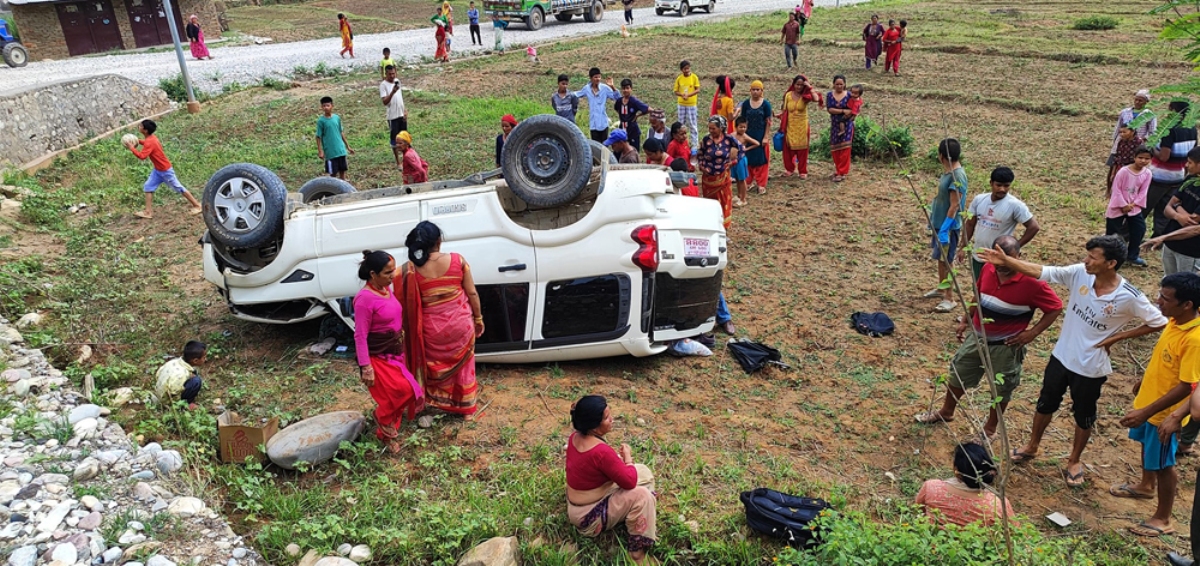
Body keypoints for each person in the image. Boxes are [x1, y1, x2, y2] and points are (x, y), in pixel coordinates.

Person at [978, 235, 1169, 487]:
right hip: (1061, 356)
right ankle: (1032, 445)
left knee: (1084, 415)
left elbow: (1160, 322)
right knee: (1045, 404)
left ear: (1111, 263)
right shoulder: (1080, 273)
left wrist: (1118, 336)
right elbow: (1043, 271)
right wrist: (1008, 262)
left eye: (1092, 257)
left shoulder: (1129, 296)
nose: (1086, 260)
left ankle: (1074, 460)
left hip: (1090, 367)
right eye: (1087, 255)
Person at [915, 236, 1063, 438]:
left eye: (1006, 259)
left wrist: (1032, 333)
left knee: (1001, 388)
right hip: (977, 336)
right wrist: (967, 319)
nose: (1000, 265)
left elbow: (1055, 308)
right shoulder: (988, 269)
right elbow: (978, 294)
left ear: (1018, 257)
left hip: (1005, 346)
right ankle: (946, 412)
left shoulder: (1034, 283)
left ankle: (990, 429)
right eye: (995, 257)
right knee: (959, 372)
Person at [1109, 272, 1200, 538]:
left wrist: (1151, 413)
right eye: (1160, 294)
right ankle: (1145, 485)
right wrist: (1144, 379)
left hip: (1163, 414)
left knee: (1164, 464)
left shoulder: (1195, 339)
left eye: (1166, 298)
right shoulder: (1175, 321)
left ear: (1187, 305)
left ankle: (1163, 517)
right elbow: (1168, 361)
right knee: (1148, 451)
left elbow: (1188, 385)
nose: (1158, 301)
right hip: (1149, 401)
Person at [400, 221, 482, 415]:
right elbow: (472, 293)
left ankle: (435, 403)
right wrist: (478, 319)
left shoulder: (410, 270)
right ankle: (466, 407)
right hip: (461, 324)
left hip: (431, 331)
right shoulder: (458, 260)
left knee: (434, 367)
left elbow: (408, 303)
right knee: (464, 366)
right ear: (439, 241)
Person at [565, 395, 657, 565]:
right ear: (593, 426)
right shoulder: (601, 452)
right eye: (607, 418)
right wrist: (627, 458)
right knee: (643, 495)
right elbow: (629, 482)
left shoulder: (575, 438)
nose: (612, 419)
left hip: (578, 505)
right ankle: (636, 554)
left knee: (643, 472)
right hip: (588, 518)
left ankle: (633, 514)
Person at [354, 250, 424, 452]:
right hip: (377, 356)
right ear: (373, 274)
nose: (393, 276)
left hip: (395, 353)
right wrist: (366, 366)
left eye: (393, 271)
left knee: (403, 394)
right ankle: (382, 419)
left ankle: (386, 435)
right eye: (387, 273)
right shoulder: (365, 299)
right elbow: (359, 335)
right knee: (405, 391)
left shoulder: (386, 290)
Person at [961, 166, 1040, 280]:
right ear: (991, 183)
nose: (1002, 189)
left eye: (1006, 185)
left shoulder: (1015, 205)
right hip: (979, 255)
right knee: (978, 286)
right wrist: (963, 247)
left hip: (999, 259)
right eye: (998, 185)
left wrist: (1015, 247)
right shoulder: (979, 200)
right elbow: (970, 224)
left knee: (996, 289)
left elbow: (1034, 227)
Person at [915, 443, 1015, 527]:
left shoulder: (931, 488)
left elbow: (918, 512)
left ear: (956, 470)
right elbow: (1015, 532)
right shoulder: (996, 505)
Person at [124, 119, 203, 219]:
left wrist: (132, 148)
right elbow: (147, 143)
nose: (139, 127)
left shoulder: (149, 142)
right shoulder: (152, 138)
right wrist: (137, 141)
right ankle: (148, 212)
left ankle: (197, 205)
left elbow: (142, 156)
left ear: (145, 130)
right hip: (158, 170)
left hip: (165, 171)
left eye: (140, 126)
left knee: (179, 188)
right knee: (148, 187)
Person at [926, 138, 967, 313]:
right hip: (939, 223)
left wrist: (945, 228)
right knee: (940, 259)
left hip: (947, 227)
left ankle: (949, 298)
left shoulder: (957, 175)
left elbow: (955, 204)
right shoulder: (949, 172)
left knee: (947, 261)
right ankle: (942, 288)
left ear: (941, 155)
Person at [1149, 100, 1198, 237]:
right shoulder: (1192, 129)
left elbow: (1164, 156)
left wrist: (1152, 148)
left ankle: (1127, 238)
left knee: (1143, 208)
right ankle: (1158, 237)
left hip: (1160, 176)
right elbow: (1193, 153)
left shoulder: (1169, 130)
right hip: (1179, 176)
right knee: (1164, 209)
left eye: (1170, 110)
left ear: (1175, 112)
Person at [1105, 146, 1154, 267]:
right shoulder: (1123, 171)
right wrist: (1123, 204)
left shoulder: (1147, 173)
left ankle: (1132, 255)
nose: (1143, 161)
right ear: (1134, 157)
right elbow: (1116, 189)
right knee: (1112, 233)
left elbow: (1143, 192)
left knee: (1139, 229)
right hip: (1118, 206)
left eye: (1146, 158)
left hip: (1134, 207)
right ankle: (1109, 257)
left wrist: (1133, 204)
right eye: (1140, 157)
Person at [1155, 148, 1200, 275]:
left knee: (1186, 288)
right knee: (1168, 281)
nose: (1186, 165)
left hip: (1190, 251)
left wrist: (1177, 206)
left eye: (1190, 162)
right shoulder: (1190, 179)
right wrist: (1178, 215)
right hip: (1171, 243)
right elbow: (1167, 208)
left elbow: (1191, 222)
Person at [699, 116, 740, 229]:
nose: (711, 131)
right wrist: (702, 166)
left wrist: (733, 162)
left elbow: (741, 149)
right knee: (710, 203)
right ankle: (711, 227)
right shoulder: (706, 140)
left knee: (723, 202)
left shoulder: (729, 139)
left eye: (713, 129)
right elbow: (700, 154)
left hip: (723, 178)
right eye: (709, 128)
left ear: (721, 128)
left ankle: (723, 229)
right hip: (708, 179)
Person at [779, 74, 820, 179]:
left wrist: (809, 87)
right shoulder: (788, 95)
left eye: (801, 85)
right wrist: (779, 116)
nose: (799, 87)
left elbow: (816, 99)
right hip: (790, 125)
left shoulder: (806, 96)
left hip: (802, 125)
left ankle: (802, 170)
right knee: (788, 148)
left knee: (802, 149)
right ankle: (789, 169)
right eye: (797, 84)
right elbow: (784, 110)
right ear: (794, 84)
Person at [1110, 90, 1156, 183]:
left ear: (1146, 102)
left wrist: (1144, 139)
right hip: (1122, 142)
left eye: (1140, 100)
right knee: (1116, 162)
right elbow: (1118, 126)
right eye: (1136, 100)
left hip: (1138, 145)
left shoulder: (1149, 114)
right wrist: (1115, 140)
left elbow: (1152, 131)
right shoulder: (1125, 112)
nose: (1137, 102)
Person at [737, 80, 773, 194]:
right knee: (748, 157)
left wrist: (766, 136)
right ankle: (748, 181)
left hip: (760, 134)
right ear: (750, 91)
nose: (755, 92)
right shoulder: (746, 104)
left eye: (758, 90)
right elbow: (742, 120)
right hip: (748, 134)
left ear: (762, 91)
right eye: (753, 89)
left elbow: (768, 121)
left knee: (761, 160)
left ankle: (761, 183)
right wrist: (741, 135)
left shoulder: (766, 104)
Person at [154, 340, 207, 408]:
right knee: (196, 381)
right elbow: (173, 393)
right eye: (204, 357)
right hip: (166, 400)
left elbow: (158, 374)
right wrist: (177, 404)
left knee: (194, 373)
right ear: (195, 360)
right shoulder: (181, 374)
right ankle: (187, 404)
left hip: (159, 391)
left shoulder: (173, 362)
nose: (205, 359)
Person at [574, 67, 620, 143]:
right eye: (595, 77)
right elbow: (577, 94)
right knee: (596, 146)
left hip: (604, 123)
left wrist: (612, 86)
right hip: (593, 124)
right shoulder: (587, 89)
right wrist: (565, 93)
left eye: (599, 77)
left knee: (604, 147)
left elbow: (617, 98)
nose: (598, 79)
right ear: (591, 78)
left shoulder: (605, 88)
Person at [826, 75, 857, 183]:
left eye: (841, 84)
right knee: (835, 148)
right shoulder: (830, 95)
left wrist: (850, 115)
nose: (839, 86)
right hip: (835, 125)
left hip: (847, 125)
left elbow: (855, 108)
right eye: (837, 84)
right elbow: (829, 109)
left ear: (844, 84)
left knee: (845, 149)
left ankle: (842, 172)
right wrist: (843, 111)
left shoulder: (849, 95)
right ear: (833, 84)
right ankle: (838, 169)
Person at [316, 96, 354, 180]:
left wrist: (347, 146)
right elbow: (318, 136)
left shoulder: (337, 118)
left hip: (340, 150)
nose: (326, 108)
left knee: (342, 171)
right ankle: (333, 192)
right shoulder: (321, 121)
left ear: (332, 106)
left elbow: (341, 132)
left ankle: (343, 189)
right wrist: (320, 151)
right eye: (324, 106)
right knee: (332, 174)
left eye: (328, 105)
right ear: (321, 107)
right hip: (330, 153)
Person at [381, 65, 409, 168]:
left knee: (404, 137)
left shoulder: (398, 81)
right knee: (395, 140)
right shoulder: (383, 85)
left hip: (401, 114)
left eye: (393, 73)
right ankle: (398, 162)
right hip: (392, 116)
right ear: (386, 74)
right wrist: (392, 91)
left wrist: (405, 110)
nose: (392, 76)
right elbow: (385, 102)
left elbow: (401, 97)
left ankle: (407, 158)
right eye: (390, 74)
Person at [1108, 123, 1147, 193]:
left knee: (1130, 191)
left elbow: (1141, 160)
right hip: (1120, 169)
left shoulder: (1139, 143)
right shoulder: (1121, 142)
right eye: (1120, 132)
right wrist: (1113, 173)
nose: (1121, 134)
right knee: (1118, 190)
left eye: (1124, 132)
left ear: (1132, 132)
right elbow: (1117, 158)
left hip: (1133, 171)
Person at [615, 79, 650, 151]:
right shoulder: (619, 101)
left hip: (633, 131)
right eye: (623, 88)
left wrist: (638, 115)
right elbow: (616, 109)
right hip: (622, 130)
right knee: (622, 151)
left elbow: (649, 109)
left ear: (631, 89)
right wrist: (623, 117)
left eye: (627, 88)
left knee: (634, 151)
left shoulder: (634, 101)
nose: (625, 90)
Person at [731, 117, 758, 207]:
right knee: (738, 179)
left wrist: (746, 149)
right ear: (736, 127)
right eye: (740, 127)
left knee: (742, 180)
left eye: (744, 127)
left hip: (741, 160)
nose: (743, 129)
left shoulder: (745, 136)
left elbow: (757, 143)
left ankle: (743, 199)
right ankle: (739, 195)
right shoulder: (732, 135)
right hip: (734, 161)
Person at [674, 60, 701, 149]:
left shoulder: (694, 77)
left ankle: (694, 144)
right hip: (681, 104)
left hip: (691, 104)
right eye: (685, 69)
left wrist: (688, 95)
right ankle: (681, 142)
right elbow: (676, 91)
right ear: (681, 70)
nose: (687, 70)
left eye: (688, 68)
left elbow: (697, 89)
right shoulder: (679, 78)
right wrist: (682, 95)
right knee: (681, 123)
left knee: (692, 124)